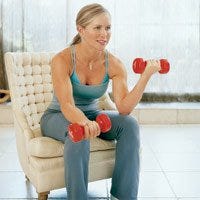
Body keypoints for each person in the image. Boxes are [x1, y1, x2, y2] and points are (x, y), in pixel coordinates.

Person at [40, 3, 161, 200]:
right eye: (97, 28)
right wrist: (85, 123)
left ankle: (124, 196)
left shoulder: (114, 64)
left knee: (129, 124)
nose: (104, 34)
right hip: (58, 116)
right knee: (79, 136)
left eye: (108, 28)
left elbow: (123, 108)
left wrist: (145, 76)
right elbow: (67, 105)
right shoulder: (62, 60)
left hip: (92, 114)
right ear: (81, 29)